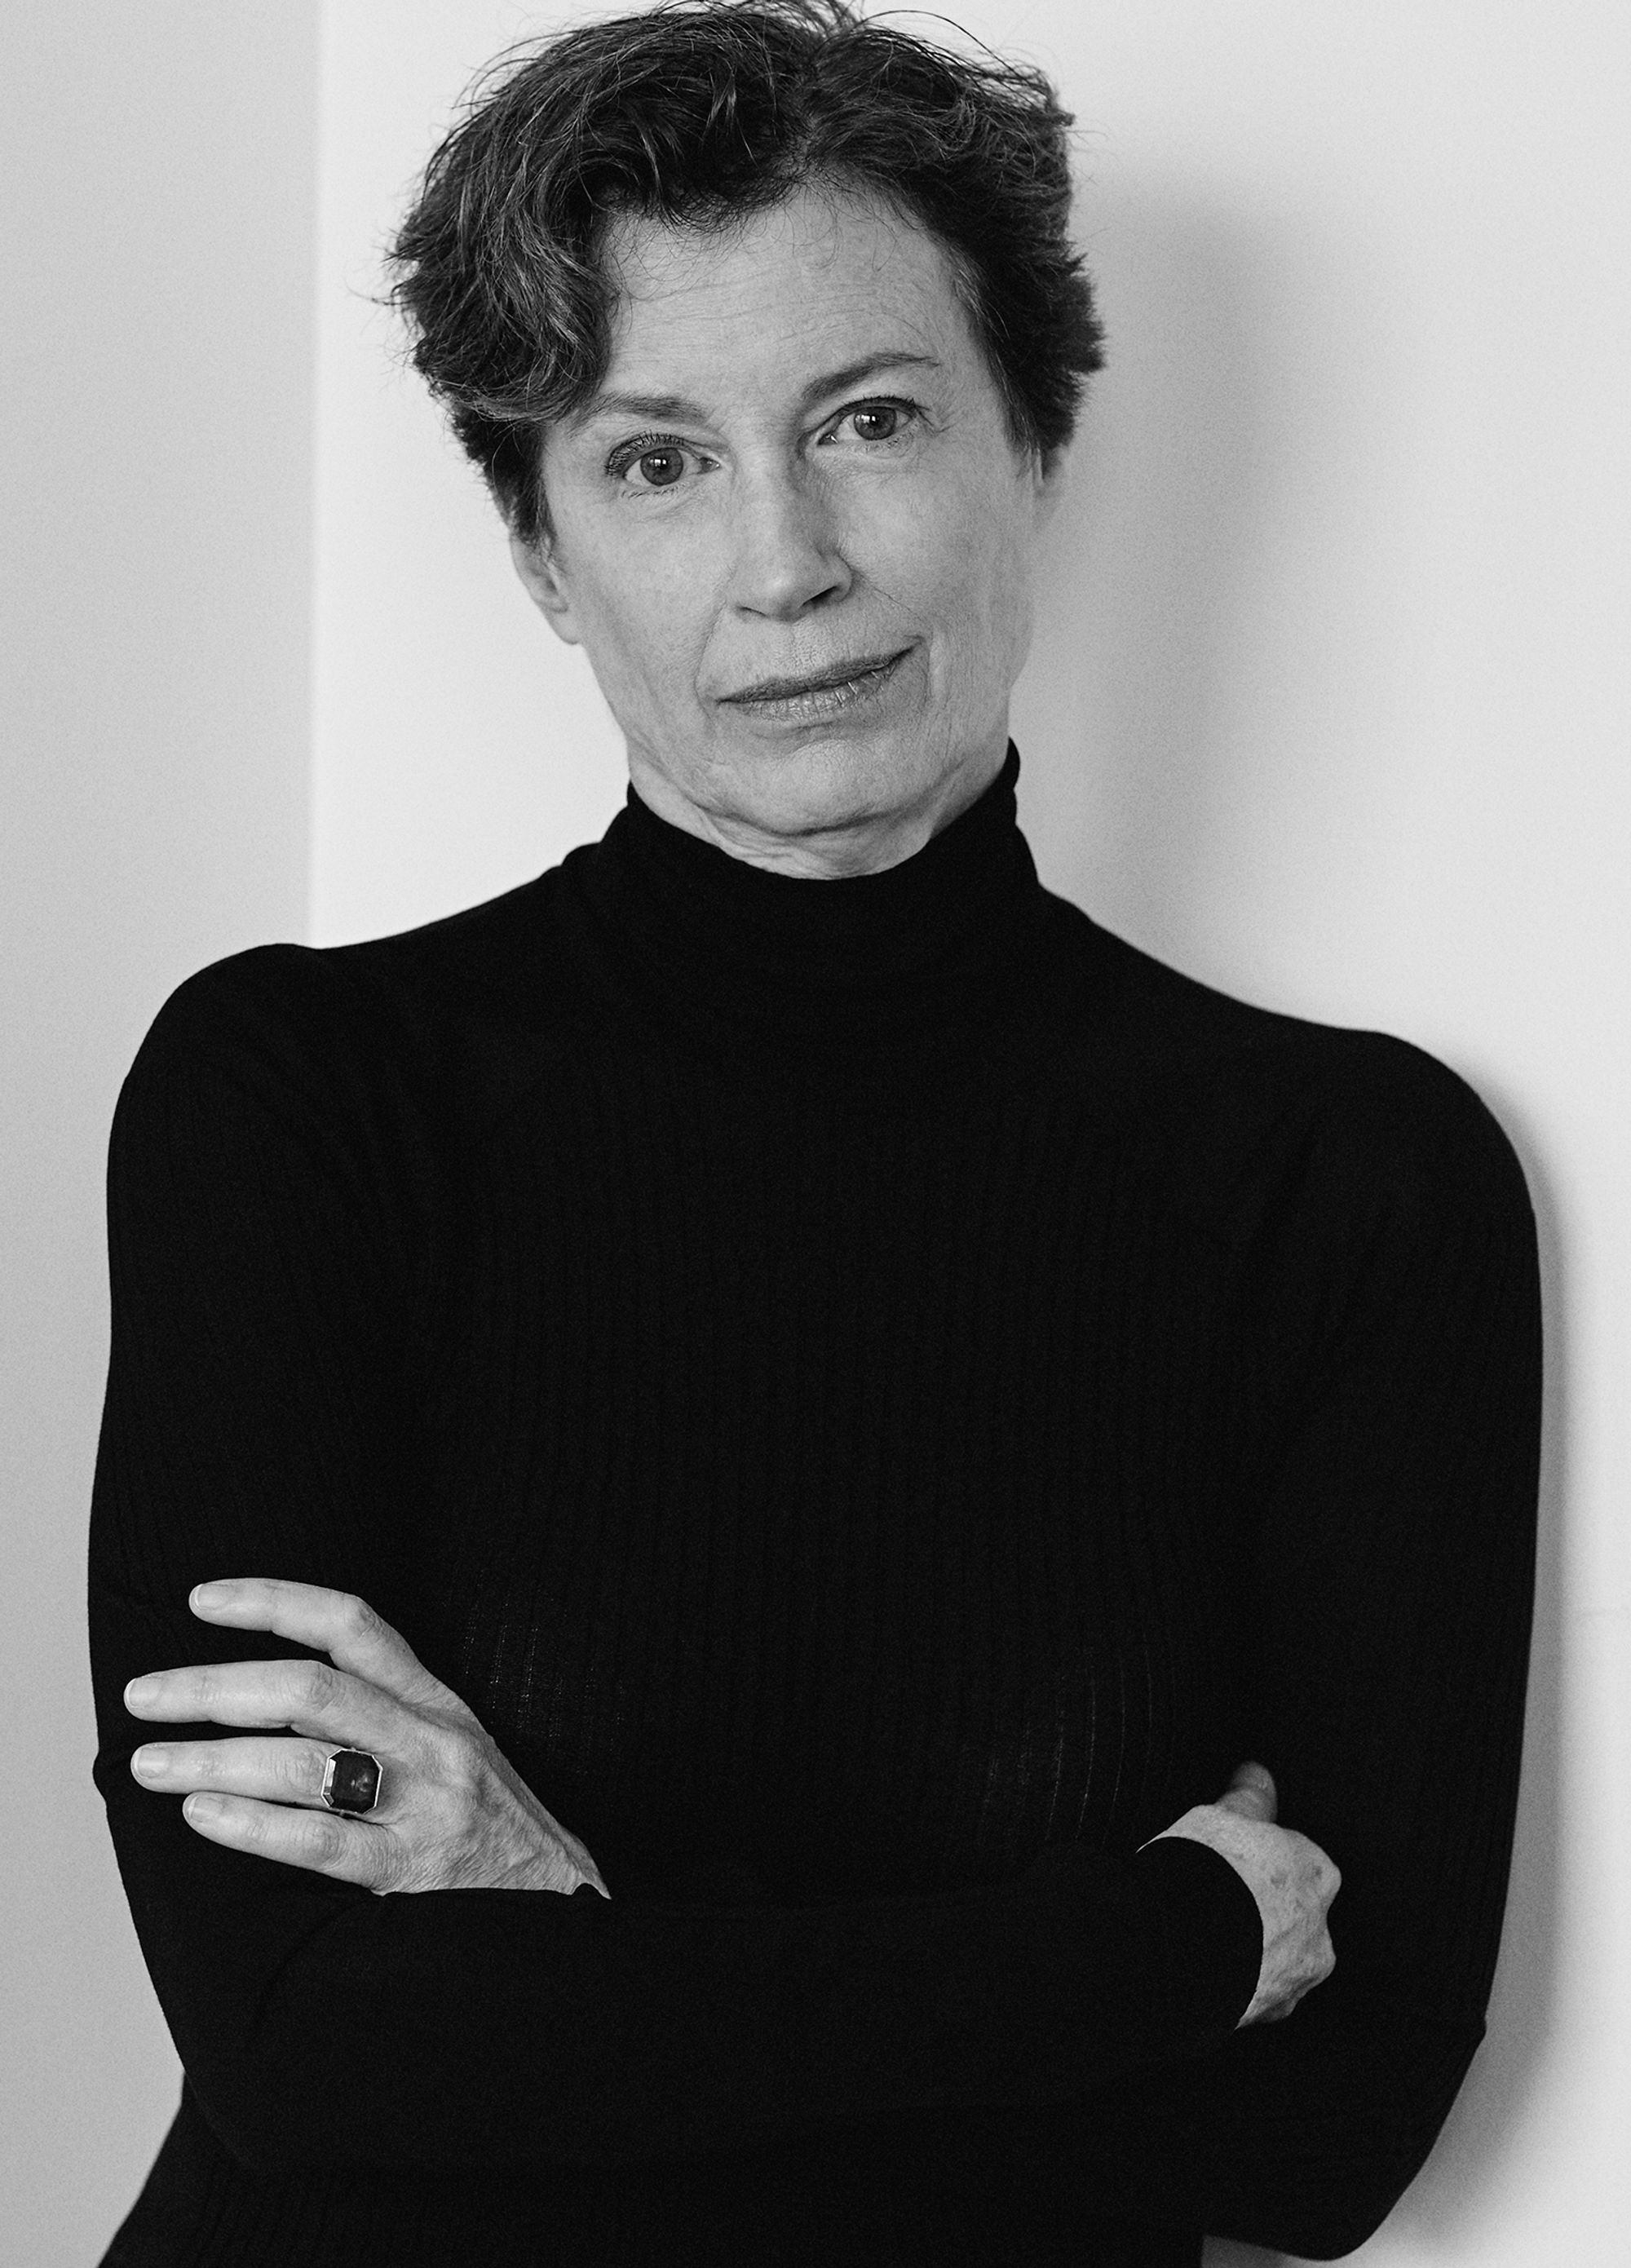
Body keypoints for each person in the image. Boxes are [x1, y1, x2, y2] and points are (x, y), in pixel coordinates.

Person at [91, 4, 1540, 2263]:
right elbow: (304, 2052)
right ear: (542, 554)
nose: (786, 564)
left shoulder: (1345, 1181)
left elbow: (1324, 2137)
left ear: (1034, 449)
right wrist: (1159, 1945)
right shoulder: (298, 1097)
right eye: (654, 461)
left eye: (869, 420)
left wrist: (560, 1945)